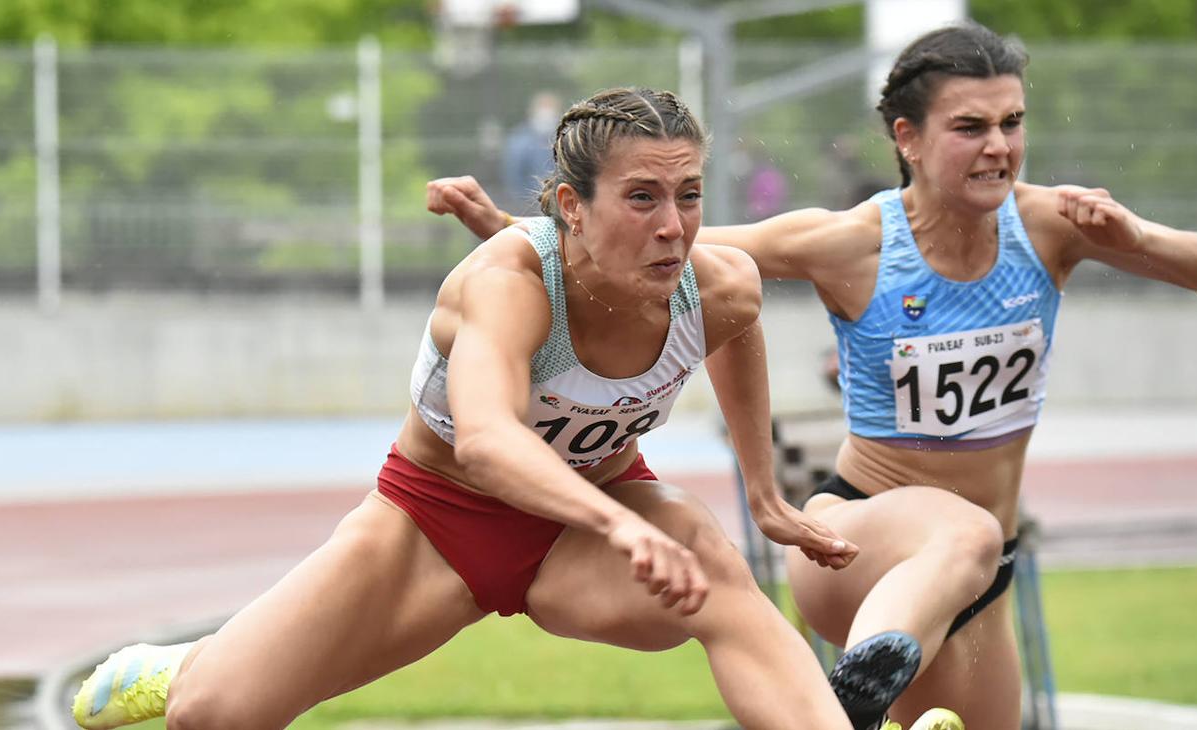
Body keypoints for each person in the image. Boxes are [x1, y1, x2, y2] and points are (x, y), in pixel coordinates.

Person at [70, 86, 962, 730]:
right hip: (435, 522)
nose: (674, 227)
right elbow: (491, 444)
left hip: (589, 523)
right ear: (573, 207)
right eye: (643, 198)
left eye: (689, 196)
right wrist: (618, 530)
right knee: (214, 714)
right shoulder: (503, 283)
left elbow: (736, 333)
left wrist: (763, 496)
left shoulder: (716, 284)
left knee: (714, 574)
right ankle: (186, 664)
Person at [423, 22, 1197, 730]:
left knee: (978, 615)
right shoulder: (851, 242)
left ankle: (854, 700)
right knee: (959, 535)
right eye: (971, 126)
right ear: (907, 138)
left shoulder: (1053, 226)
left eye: (1013, 124)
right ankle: (846, 697)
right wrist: (516, 233)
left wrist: (1139, 236)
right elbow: (658, 249)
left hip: (981, 564)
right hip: (860, 542)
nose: (998, 147)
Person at [501, 90, 561, 214]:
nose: (546, 115)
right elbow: (514, 175)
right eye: (543, 109)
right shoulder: (519, 140)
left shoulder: (564, 138)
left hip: (560, 205)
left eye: (550, 109)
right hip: (527, 207)